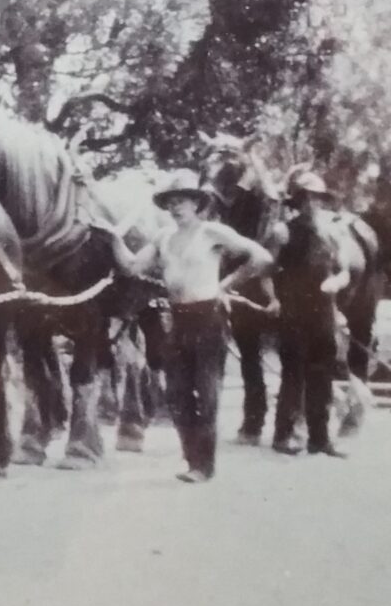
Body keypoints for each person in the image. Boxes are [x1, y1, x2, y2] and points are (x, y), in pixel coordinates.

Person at [95, 171, 273, 483]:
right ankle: (193, 460)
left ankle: (203, 466)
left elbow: (260, 256)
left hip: (208, 317)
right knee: (177, 394)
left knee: (206, 394)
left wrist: (226, 285)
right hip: (177, 319)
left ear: (196, 204)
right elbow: (133, 266)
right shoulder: (164, 237)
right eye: (171, 202)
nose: (176, 208)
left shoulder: (211, 232)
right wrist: (113, 238)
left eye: (182, 201)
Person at [270, 172, 349, 458]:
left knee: (322, 376)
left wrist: (336, 283)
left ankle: (320, 439)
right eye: (305, 198)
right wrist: (273, 299)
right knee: (292, 375)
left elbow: (344, 271)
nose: (311, 203)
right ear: (297, 201)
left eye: (316, 198)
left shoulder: (332, 233)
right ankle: (284, 435)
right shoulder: (284, 231)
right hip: (294, 312)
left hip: (323, 313)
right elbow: (268, 270)